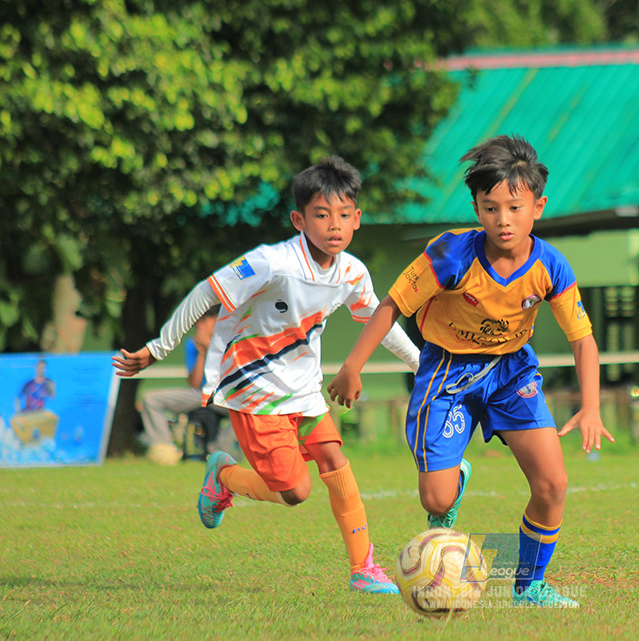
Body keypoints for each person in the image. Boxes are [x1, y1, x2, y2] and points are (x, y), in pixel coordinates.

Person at [328, 134, 614, 608]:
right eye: (490, 207)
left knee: (553, 484)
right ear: (477, 208)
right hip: (447, 373)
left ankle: (530, 588)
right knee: (437, 502)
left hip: (511, 374)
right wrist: (352, 367)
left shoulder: (551, 267)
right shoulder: (451, 256)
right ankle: (454, 476)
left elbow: (582, 339)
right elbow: (391, 306)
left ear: (537, 207)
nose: (503, 219)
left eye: (515, 207)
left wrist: (591, 406)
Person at [113, 155, 420, 595]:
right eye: (321, 214)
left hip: (305, 390)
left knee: (335, 460)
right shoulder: (270, 263)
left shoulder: (353, 271)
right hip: (254, 393)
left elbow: (379, 323)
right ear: (299, 219)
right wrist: (157, 348)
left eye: (344, 214)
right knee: (295, 491)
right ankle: (223, 476)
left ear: (357, 219)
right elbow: (205, 293)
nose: (334, 224)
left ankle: (363, 567)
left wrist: (420, 365)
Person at [139, 306, 231, 465]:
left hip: (227, 394)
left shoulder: (230, 340)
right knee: (150, 398)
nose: (199, 327)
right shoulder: (192, 344)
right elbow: (194, 384)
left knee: (246, 406)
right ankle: (164, 450)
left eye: (204, 321)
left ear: (218, 320)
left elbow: (230, 376)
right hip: (201, 394)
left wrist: (211, 348)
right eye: (198, 323)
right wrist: (202, 353)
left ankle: (223, 452)